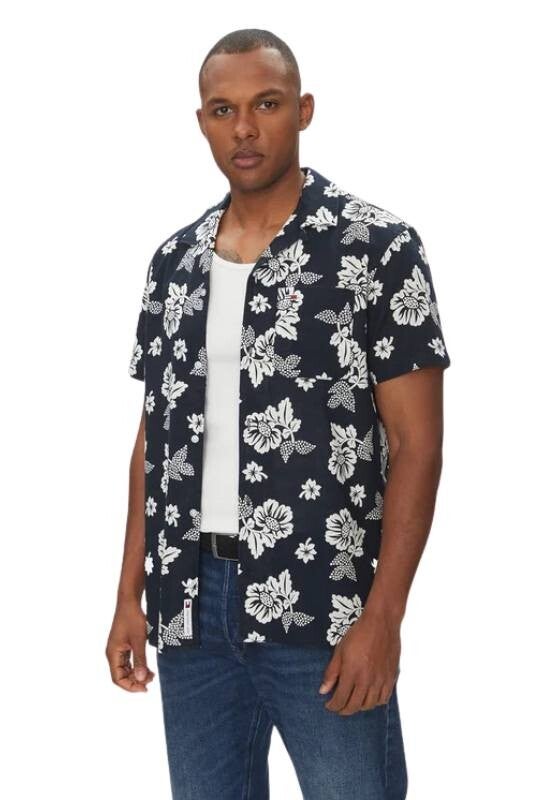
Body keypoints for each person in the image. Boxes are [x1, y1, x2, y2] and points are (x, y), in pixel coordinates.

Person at [106, 27, 451, 800]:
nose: (244, 129)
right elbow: (154, 440)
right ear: (201, 121)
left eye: (265, 105)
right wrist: (128, 595)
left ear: (303, 110)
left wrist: (383, 617)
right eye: (222, 110)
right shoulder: (174, 263)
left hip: (324, 602)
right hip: (190, 605)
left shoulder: (375, 248)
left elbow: (416, 445)